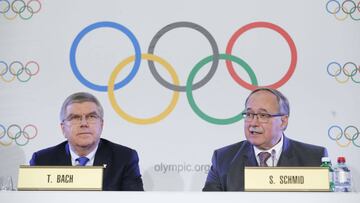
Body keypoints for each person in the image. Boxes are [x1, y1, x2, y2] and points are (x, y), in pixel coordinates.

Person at [203, 87, 328, 191]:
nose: (253, 123)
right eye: (249, 114)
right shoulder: (224, 159)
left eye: (263, 115)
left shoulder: (314, 158)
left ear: (283, 121)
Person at [30, 92, 144, 191]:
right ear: (63, 128)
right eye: (75, 117)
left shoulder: (124, 158)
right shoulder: (42, 161)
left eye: (91, 117)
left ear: (101, 125)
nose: (84, 123)